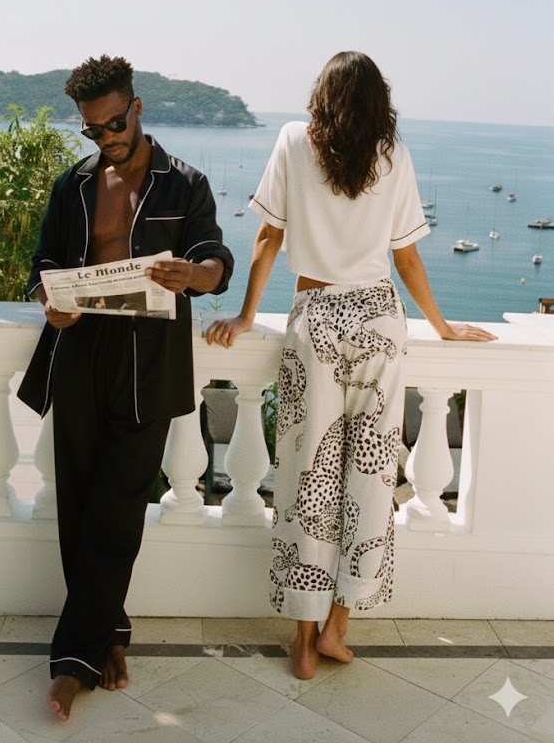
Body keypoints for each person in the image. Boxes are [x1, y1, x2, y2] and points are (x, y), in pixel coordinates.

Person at [206, 51, 495, 680]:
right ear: (377, 104)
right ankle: (340, 626)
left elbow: (267, 238)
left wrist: (248, 316)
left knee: (309, 477)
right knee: (368, 476)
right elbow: (408, 259)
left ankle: (304, 641)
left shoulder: (291, 140)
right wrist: (443, 327)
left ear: (322, 95)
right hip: (380, 325)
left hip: (316, 319)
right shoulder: (393, 155)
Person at [18, 55, 233, 721]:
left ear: (135, 108)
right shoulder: (72, 186)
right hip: (79, 352)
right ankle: (106, 637)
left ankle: (69, 666)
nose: (105, 137)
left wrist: (190, 277)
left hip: (149, 359)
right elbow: (45, 265)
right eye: (92, 130)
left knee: (118, 510)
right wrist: (53, 301)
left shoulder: (185, 184)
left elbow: (216, 261)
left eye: (113, 123)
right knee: (79, 503)